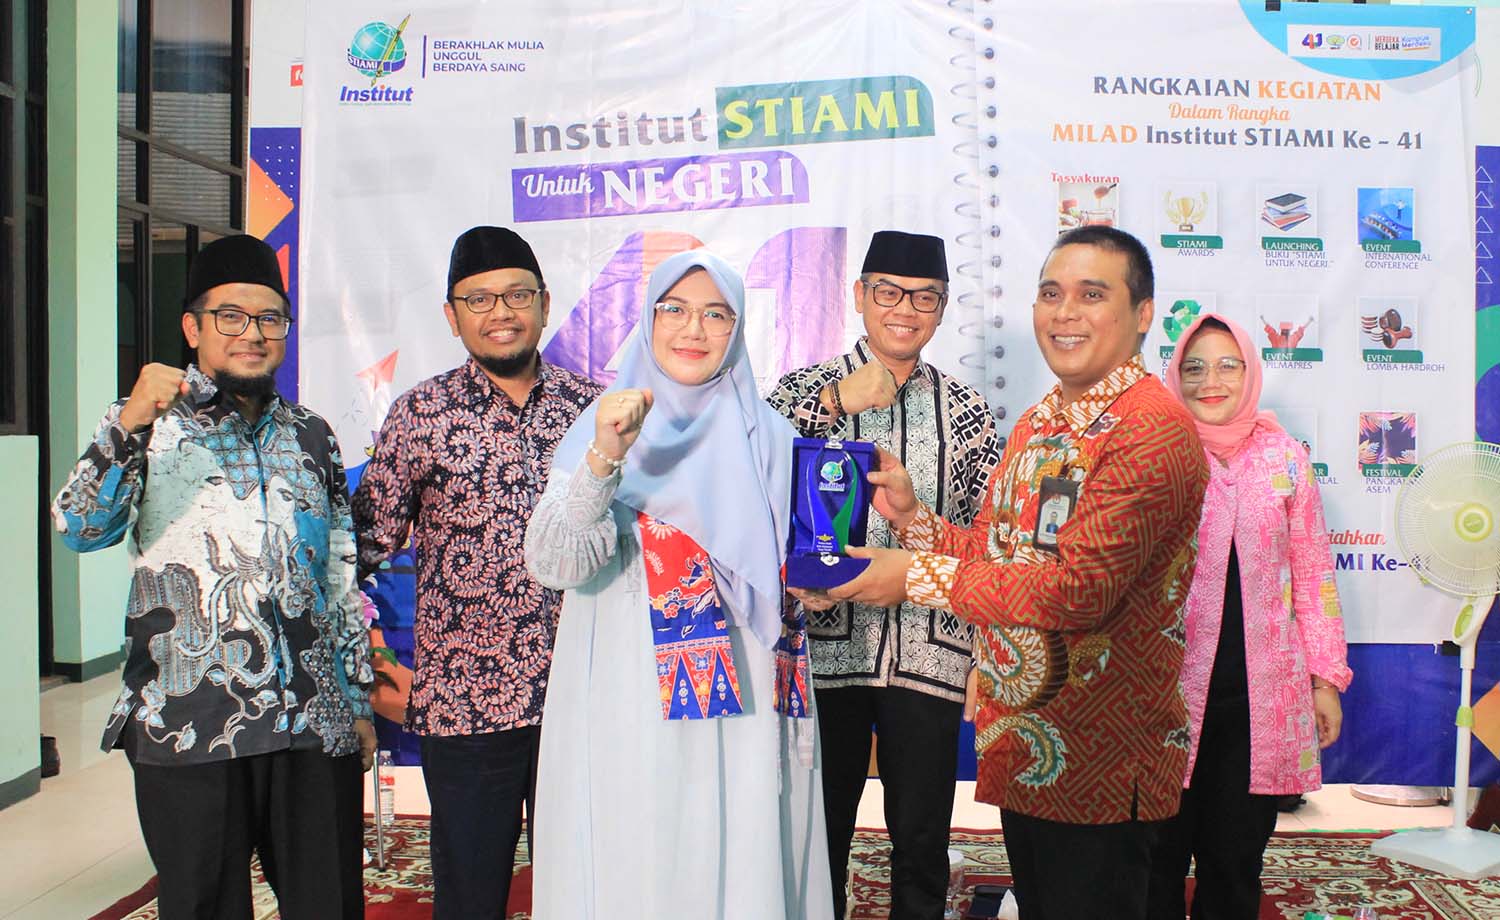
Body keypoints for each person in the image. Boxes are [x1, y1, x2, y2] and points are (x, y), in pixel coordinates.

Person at [831, 226, 1210, 920]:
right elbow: (997, 551)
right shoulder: (1041, 421)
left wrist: (913, 577)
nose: (1065, 313)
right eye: (1050, 294)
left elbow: (1079, 590)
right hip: (1028, 749)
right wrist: (913, 518)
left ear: (1142, 314)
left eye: (1091, 295)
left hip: (1101, 757)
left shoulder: (1150, 429)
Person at [51, 234, 374, 920]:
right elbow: (78, 528)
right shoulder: (148, 426)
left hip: (312, 723)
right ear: (192, 327)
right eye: (231, 316)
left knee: (332, 904)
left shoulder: (312, 435)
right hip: (190, 723)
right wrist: (130, 421)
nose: (252, 333)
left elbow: (340, 576)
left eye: (269, 318)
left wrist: (356, 701)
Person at [524, 250, 833, 920]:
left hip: (745, 703)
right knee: (641, 844)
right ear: (649, 319)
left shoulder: (772, 439)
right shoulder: (603, 426)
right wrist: (606, 459)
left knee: (739, 848)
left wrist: (814, 587)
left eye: (716, 314)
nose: (694, 329)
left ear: (737, 328)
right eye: (676, 310)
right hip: (628, 696)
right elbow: (555, 564)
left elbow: (798, 574)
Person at [351, 226, 602, 919]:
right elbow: (362, 545)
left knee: (585, 889)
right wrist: (360, 656)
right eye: (479, 299)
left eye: (517, 295)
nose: (501, 313)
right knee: (469, 894)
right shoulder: (420, 415)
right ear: (451, 315)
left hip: (581, 696)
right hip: (466, 701)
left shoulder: (593, 410)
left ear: (544, 303)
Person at [766, 230, 1000, 920]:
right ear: (860, 295)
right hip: (821, 653)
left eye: (924, 297)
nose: (905, 309)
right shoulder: (803, 390)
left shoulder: (968, 412)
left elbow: (988, 542)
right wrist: (834, 402)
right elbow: (756, 471)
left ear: (942, 308)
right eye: (889, 293)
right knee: (817, 833)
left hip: (930, 651)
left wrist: (984, 652)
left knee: (922, 838)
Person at [1147, 314, 1352, 920]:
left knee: (1234, 864)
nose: (1210, 381)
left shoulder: (1285, 458)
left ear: (1250, 373)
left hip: (1259, 702)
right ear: (1175, 375)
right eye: (1194, 367)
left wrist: (1324, 680)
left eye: (1226, 366)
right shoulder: (1156, 453)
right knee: (1155, 862)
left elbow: (1313, 575)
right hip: (1163, 698)